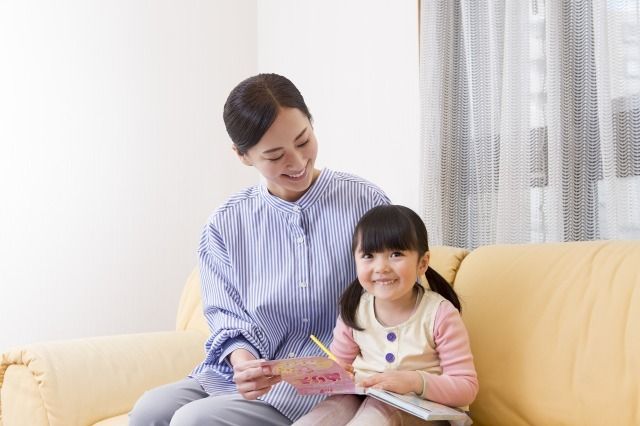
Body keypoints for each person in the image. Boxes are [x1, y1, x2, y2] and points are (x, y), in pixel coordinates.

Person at [128, 73, 390, 425]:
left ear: (311, 122)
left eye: (304, 140)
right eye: (275, 155)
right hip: (245, 377)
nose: (297, 162)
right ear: (242, 155)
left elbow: (395, 296)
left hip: (325, 384)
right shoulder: (225, 225)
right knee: (148, 411)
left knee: (193, 421)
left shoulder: (365, 203)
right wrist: (243, 361)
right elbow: (226, 315)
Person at [294, 205, 479, 426]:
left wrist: (414, 382)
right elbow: (338, 367)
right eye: (369, 256)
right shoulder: (353, 309)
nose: (381, 267)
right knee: (321, 416)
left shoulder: (440, 314)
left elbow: (466, 388)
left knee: (376, 416)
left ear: (423, 263)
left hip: (424, 412)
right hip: (364, 398)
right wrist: (335, 375)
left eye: (396, 254)